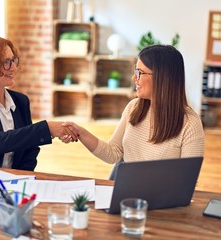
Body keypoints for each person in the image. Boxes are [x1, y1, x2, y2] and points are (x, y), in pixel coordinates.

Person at [0, 34, 78, 170]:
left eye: (13, 60)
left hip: (12, 181)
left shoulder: (20, 101)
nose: (13, 68)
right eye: (6, 62)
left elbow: (30, 148)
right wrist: (47, 129)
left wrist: (23, 177)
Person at [62, 45, 204, 164]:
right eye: (135, 71)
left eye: (140, 72)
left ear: (162, 78)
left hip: (161, 196)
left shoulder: (190, 124)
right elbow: (113, 153)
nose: (134, 77)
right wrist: (80, 132)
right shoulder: (133, 107)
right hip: (128, 193)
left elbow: (186, 179)